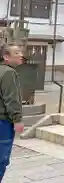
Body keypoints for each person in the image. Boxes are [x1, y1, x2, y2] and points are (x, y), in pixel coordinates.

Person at [0, 44, 24, 181]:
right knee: (1, 158)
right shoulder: (9, 73)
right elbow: (11, 99)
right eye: (16, 53)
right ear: (6, 57)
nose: (21, 55)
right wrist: (17, 119)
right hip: (3, 122)